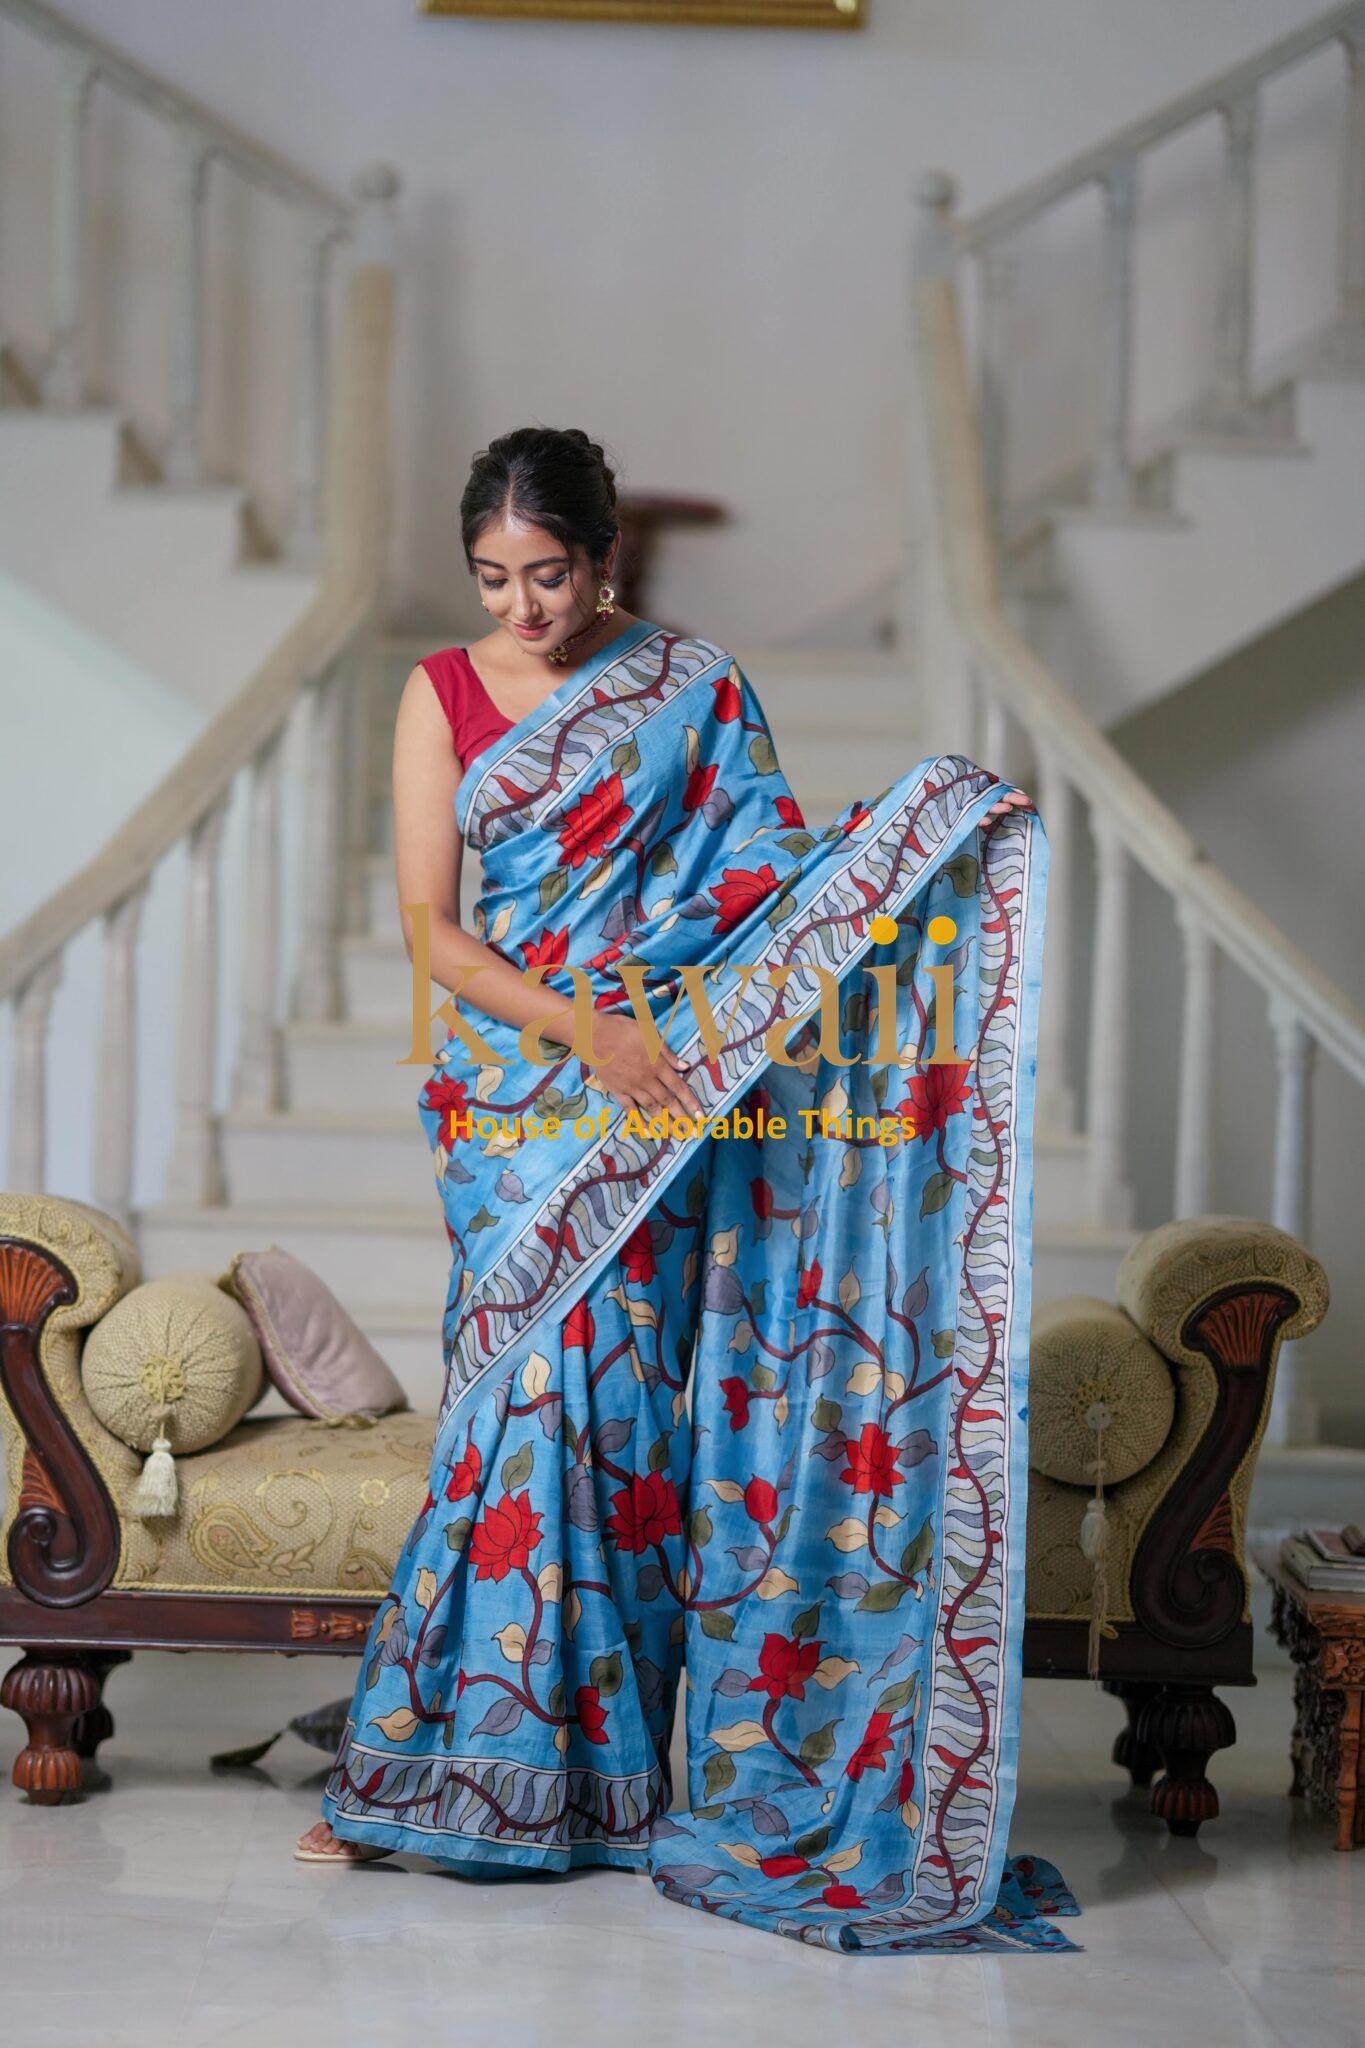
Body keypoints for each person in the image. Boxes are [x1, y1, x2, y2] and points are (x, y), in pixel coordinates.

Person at [295, 426, 1076, 1954]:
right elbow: (433, 935)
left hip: (671, 1080)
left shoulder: (692, 689)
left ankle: (596, 1788)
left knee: (629, 1424)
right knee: (521, 1403)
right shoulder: (440, 694)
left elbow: (764, 878)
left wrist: (906, 848)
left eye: (551, 574)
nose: (523, 606)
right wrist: (582, 1022)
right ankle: (445, 1767)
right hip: (518, 1091)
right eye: (493, 578)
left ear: (605, 561)